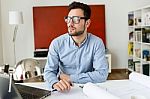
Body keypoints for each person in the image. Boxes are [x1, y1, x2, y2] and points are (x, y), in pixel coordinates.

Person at [44, 1, 108, 92]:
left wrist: (70, 78)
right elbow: (49, 72)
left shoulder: (97, 43)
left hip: (88, 88)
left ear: (87, 23)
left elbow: (102, 74)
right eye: (68, 19)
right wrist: (55, 83)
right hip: (65, 90)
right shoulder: (57, 43)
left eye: (76, 19)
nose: (70, 24)